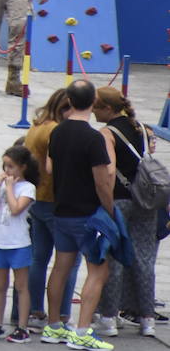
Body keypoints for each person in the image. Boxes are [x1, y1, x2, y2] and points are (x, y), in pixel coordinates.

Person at [41, 80, 115, 350]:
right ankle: (82, 330)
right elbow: (102, 181)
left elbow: (50, 169)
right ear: (93, 101)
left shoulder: (57, 132)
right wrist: (110, 210)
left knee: (60, 267)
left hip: (61, 211)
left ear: (69, 101)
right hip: (87, 214)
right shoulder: (93, 138)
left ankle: (53, 325)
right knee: (98, 270)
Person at [91, 87, 156, 338]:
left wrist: (105, 204)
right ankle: (147, 318)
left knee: (113, 259)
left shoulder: (107, 133)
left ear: (107, 109)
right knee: (144, 259)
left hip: (118, 200)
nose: (93, 112)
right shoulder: (140, 126)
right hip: (144, 200)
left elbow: (108, 171)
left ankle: (109, 317)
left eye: (96, 107)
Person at [0, 145, 39, 342]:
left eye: (11, 167)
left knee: (21, 285)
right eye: (5, 166)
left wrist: (9, 188)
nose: (7, 171)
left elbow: (16, 209)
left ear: (23, 167)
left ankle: (22, 327)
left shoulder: (28, 188)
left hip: (18, 243)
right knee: (0, 284)